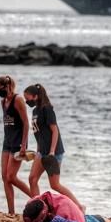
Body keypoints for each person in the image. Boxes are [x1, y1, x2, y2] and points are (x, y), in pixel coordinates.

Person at [23, 84, 85, 212]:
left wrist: (51, 151)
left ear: (36, 96)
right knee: (32, 179)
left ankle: (79, 206)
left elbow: (55, 131)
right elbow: (39, 133)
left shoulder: (47, 109)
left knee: (55, 185)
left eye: (28, 98)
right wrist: (37, 151)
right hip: (41, 151)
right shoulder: (35, 111)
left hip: (54, 152)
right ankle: (38, 210)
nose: (26, 101)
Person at [0, 75, 33, 214]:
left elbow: (26, 123)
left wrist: (24, 145)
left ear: (7, 86)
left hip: (18, 143)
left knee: (11, 177)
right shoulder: (3, 101)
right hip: (7, 142)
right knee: (5, 177)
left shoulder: (18, 100)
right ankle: (11, 212)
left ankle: (36, 197)